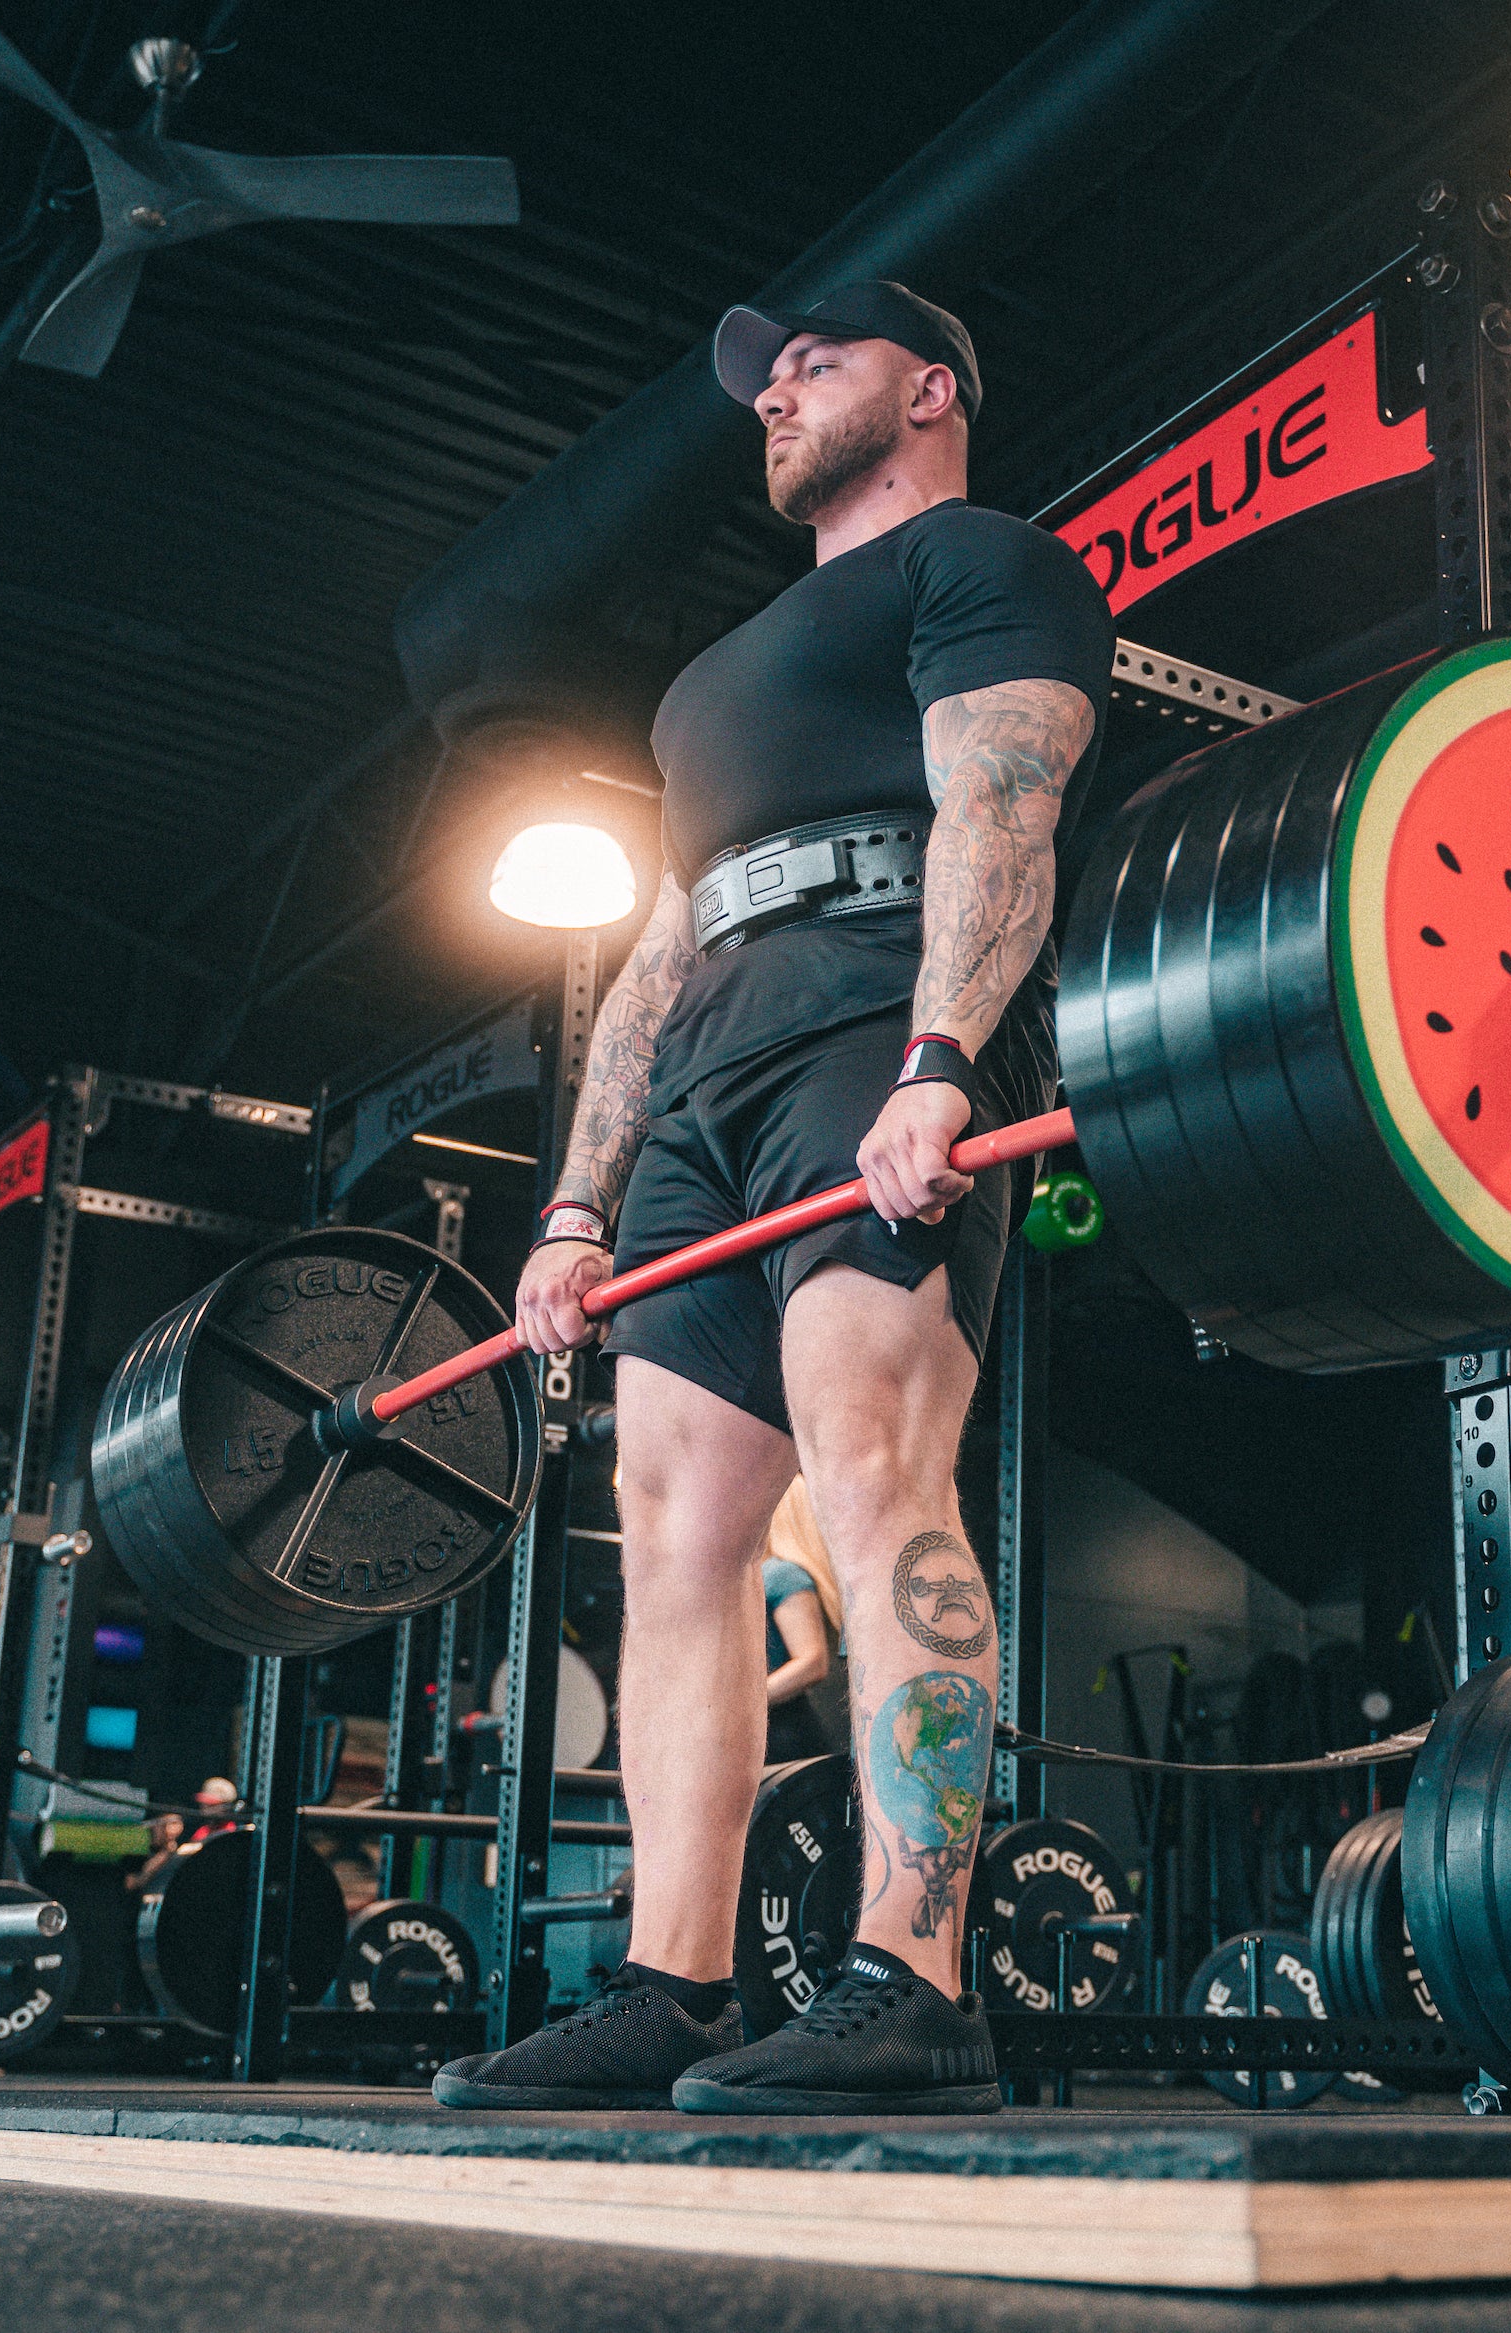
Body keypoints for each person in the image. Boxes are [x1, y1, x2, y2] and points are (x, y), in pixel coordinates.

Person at [433, 280, 1108, 2116]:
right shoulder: (704, 686)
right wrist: (576, 1205)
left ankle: (916, 1971)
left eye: (818, 357)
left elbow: (1001, 809)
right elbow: (657, 949)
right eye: (762, 376)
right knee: (670, 1534)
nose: (777, 390)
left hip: (868, 1019)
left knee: (874, 1454)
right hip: (709, 1072)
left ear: (932, 383)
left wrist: (943, 1055)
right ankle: (676, 1984)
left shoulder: (981, 559)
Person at [760, 1480, 843, 1763]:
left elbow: (812, 1662)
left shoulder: (782, 1575)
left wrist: (739, 1706)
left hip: (785, 1746)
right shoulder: (768, 1574)